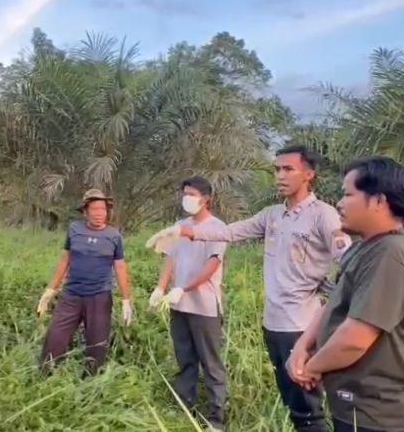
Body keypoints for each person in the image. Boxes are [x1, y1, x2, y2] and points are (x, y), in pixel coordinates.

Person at [146, 145, 350, 432]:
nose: (280, 175)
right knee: (292, 400)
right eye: (277, 169)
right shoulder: (272, 215)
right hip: (273, 323)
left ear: (308, 174)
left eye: (288, 169)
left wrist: (336, 293)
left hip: (303, 325)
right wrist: (183, 231)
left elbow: (350, 260)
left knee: (308, 405)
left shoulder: (322, 215)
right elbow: (230, 231)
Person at [286, 157, 404, 432]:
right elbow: (334, 301)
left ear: (378, 201)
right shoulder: (363, 248)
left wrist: (311, 368)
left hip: (383, 418)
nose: (340, 204)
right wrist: (303, 346)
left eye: (347, 194)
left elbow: (354, 340)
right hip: (356, 408)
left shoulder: (390, 255)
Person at [148, 176, 228, 430]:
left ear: (206, 199)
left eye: (192, 194)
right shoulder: (179, 226)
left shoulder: (217, 228)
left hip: (204, 306)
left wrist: (184, 287)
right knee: (185, 358)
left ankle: (216, 417)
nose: (187, 198)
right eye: (185, 193)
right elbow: (170, 258)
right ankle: (184, 404)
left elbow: (212, 265)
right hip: (178, 305)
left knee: (211, 362)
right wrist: (161, 287)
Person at [36, 189, 133, 374]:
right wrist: (50, 290)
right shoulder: (74, 229)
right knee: (55, 337)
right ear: (85, 211)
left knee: (97, 345)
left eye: (103, 209)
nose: (99, 214)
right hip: (71, 295)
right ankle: (46, 376)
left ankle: (91, 381)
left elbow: (120, 267)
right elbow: (65, 259)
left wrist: (126, 300)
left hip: (99, 297)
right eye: (95, 209)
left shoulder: (114, 236)